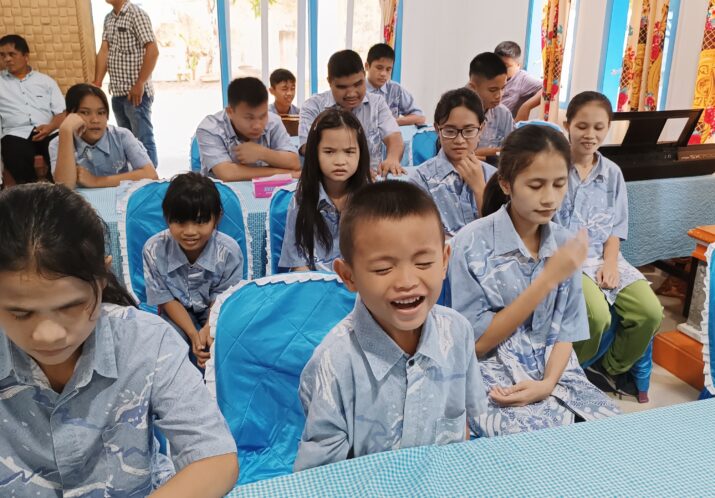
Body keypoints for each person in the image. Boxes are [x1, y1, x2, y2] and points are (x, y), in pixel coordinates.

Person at [0, 183, 238, 496]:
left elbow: (215, 457)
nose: (48, 335)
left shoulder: (145, 342)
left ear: (102, 277)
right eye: (20, 313)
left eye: (70, 307)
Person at [294, 180, 487, 471]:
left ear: (444, 261)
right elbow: (321, 475)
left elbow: (470, 424)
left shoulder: (457, 332)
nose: (407, 282)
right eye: (383, 269)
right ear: (348, 276)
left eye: (423, 263)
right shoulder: (334, 361)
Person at [449, 125, 620, 437]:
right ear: (506, 183)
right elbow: (477, 344)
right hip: (491, 374)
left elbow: (566, 332)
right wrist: (547, 279)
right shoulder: (471, 243)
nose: (549, 198)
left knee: (609, 435)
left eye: (559, 184)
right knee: (528, 446)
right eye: (536, 185)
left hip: (556, 373)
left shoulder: (565, 243)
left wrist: (547, 384)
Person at [555, 91, 663, 402]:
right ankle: (571, 370)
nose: (590, 135)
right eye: (582, 126)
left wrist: (611, 264)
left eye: (598, 127)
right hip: (565, 261)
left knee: (650, 312)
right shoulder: (554, 168)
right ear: (567, 125)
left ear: (608, 129)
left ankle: (610, 367)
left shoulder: (612, 173)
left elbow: (615, 229)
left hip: (604, 257)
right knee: (596, 316)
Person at [143, 172, 244, 369]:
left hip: (216, 309)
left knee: (225, 345)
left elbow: (223, 299)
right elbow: (165, 298)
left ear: (217, 217)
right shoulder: (153, 249)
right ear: (166, 218)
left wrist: (208, 329)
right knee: (167, 345)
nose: (190, 232)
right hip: (176, 309)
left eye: (200, 222)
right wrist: (193, 334)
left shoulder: (229, 251)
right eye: (180, 222)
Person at [280, 109, 372, 271]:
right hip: (313, 283)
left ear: (361, 153)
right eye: (329, 152)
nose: (340, 161)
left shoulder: (372, 200)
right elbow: (298, 265)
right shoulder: (301, 200)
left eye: (349, 152)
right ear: (314, 153)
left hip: (359, 283)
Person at [299, 49, 403, 176]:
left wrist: (392, 159)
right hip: (329, 181)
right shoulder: (312, 106)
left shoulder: (377, 103)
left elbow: (394, 137)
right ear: (330, 82)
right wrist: (354, 172)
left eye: (358, 84)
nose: (352, 94)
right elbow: (307, 148)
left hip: (372, 180)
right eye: (342, 87)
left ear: (364, 75)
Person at [411, 88, 496, 237]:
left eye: (469, 131)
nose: (459, 140)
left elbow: (499, 234)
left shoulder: (493, 177)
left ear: (481, 129)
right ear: (437, 129)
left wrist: (480, 189)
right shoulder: (421, 179)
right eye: (450, 131)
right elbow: (419, 235)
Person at [50, 83, 158, 188]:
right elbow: (64, 187)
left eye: (101, 113)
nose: (95, 120)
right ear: (70, 116)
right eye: (85, 112)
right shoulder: (57, 143)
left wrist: (96, 181)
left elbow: (151, 174)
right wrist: (65, 130)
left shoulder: (122, 136)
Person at [94, 0, 160, 167]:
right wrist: (97, 82)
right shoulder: (109, 18)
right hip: (117, 93)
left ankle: (151, 178)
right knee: (126, 142)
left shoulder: (136, 14)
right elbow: (104, 50)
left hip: (136, 94)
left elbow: (153, 50)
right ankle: (134, 177)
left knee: (143, 141)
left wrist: (140, 83)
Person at [196, 77, 300, 181]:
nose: (257, 125)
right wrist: (283, 173)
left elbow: (294, 163)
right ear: (230, 112)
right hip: (223, 190)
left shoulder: (273, 121)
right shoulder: (210, 128)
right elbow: (227, 173)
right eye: (249, 118)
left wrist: (262, 153)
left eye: (262, 116)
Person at [0, 34, 65, 184]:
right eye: (2, 55)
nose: (7, 59)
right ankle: (30, 191)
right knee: (14, 151)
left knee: (61, 145)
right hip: (16, 133)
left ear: (26, 56)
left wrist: (50, 127)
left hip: (48, 130)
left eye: (12, 54)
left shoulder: (46, 81)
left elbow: (61, 113)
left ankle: (58, 189)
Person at [467, 52, 515, 157]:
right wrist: (475, 155)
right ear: (473, 87)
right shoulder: (456, 112)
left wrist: (495, 153)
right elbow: (449, 154)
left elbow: (512, 152)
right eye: (493, 90)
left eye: (503, 88)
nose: (499, 95)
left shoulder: (503, 114)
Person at [364, 43, 425, 126]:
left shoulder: (395, 89)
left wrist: (392, 122)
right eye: (379, 68)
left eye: (388, 69)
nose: (383, 74)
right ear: (367, 66)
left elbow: (420, 117)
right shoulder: (358, 90)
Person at [494, 41, 542, 119]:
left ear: (518, 65)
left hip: (507, 125)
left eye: (506, 66)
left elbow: (547, 88)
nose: (500, 69)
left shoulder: (522, 78)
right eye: (497, 65)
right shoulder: (490, 75)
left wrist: (526, 107)